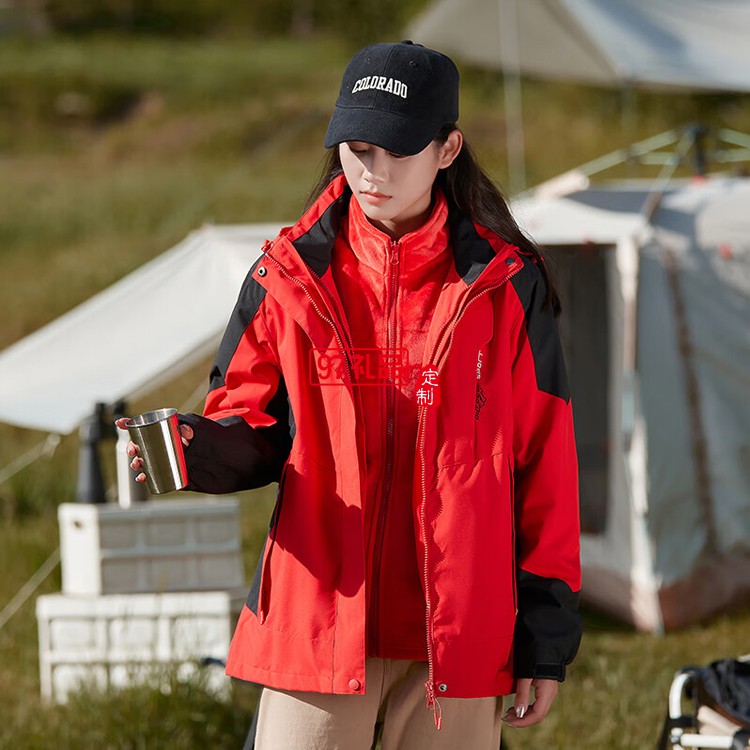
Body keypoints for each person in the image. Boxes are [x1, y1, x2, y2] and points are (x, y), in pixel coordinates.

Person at [118, 40, 582, 749]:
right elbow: (251, 425)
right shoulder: (285, 277)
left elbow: (545, 467)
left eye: (398, 149)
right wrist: (195, 450)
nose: (374, 170)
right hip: (316, 630)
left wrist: (544, 640)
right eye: (358, 148)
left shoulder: (509, 288)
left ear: (448, 148)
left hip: (459, 644)